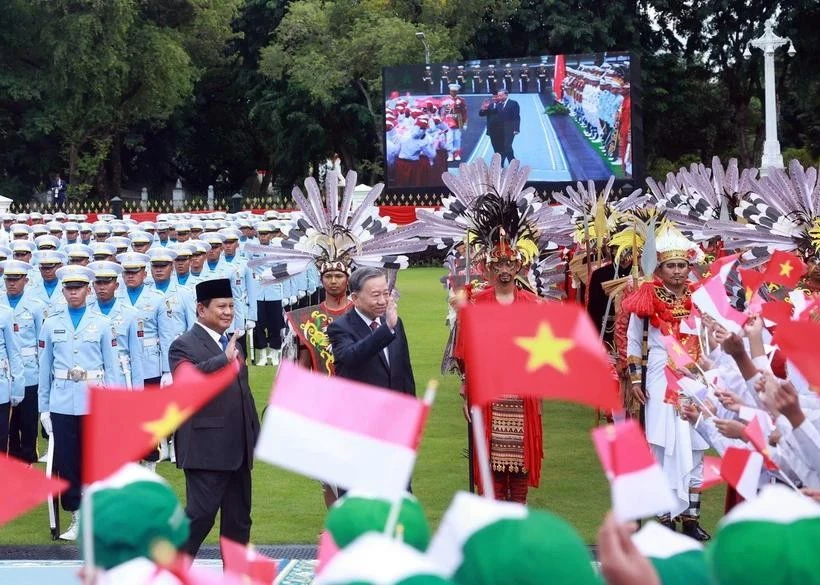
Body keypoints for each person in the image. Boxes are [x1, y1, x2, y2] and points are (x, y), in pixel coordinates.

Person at [622, 223, 710, 540]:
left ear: (689, 267)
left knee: (696, 446)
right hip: (660, 375)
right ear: (661, 268)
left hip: (695, 377)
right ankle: (663, 519)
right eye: (671, 266)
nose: (676, 271)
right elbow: (633, 341)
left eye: (682, 265)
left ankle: (690, 520)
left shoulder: (701, 298)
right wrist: (635, 381)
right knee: (661, 447)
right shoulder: (647, 296)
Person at [168, 278, 260, 557]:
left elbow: (243, 395)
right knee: (199, 517)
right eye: (221, 306)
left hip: (239, 450)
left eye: (231, 306)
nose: (228, 312)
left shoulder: (233, 344)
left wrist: (255, 434)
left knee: (238, 523)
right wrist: (223, 358)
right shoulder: (182, 345)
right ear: (201, 309)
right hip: (205, 450)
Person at [38, 265, 120, 540]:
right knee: (68, 461)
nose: (73, 292)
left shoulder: (103, 324)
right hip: (61, 402)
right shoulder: (51, 323)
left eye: (79, 288)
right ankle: (76, 515)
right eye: (69, 288)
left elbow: (113, 368)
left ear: (88, 290)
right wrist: (44, 408)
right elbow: (44, 369)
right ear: (63, 291)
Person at [327, 267, 415, 396]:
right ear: (355, 298)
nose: (382, 301)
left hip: (395, 407)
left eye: (386, 294)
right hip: (362, 408)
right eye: (375, 295)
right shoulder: (340, 327)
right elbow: (351, 357)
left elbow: (405, 369)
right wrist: (387, 329)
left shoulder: (394, 322)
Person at [2, 260, 46, 464]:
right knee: (8, 423)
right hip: (5, 371)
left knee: (28, 421)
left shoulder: (35, 306)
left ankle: (28, 457)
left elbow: (42, 342)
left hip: (29, 370)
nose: (11, 283)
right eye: (8, 279)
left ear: (25, 280)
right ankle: (13, 458)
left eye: (16, 279)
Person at [478, 89, 520, 165]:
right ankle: (500, 165)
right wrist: (483, 108)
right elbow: (482, 114)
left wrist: (516, 128)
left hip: (508, 129)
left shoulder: (513, 103)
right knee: (498, 149)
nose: (498, 97)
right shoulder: (493, 105)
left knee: (507, 147)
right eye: (498, 96)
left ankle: (512, 163)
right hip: (495, 131)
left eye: (500, 95)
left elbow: (516, 116)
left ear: (506, 95)